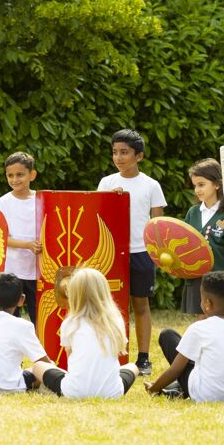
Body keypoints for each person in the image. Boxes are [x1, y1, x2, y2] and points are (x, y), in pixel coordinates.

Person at [97, 129, 167, 376]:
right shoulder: (106, 182)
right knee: (110, 306)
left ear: (139, 156)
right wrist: (110, 199)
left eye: (124, 152)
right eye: (115, 152)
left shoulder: (151, 185)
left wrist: (156, 255)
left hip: (141, 253)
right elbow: (98, 217)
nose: (118, 157)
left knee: (140, 305)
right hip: (112, 253)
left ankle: (144, 359)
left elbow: (158, 225)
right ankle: (110, 356)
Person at [145, 271, 224, 402]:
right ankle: (177, 388)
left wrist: (153, 389)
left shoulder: (200, 328)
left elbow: (175, 370)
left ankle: (178, 388)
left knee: (167, 336)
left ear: (207, 303)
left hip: (204, 395)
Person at [31, 268, 139, 398]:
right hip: (112, 393)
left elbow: (71, 359)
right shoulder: (115, 321)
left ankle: (49, 387)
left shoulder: (70, 323)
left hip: (74, 392)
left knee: (38, 366)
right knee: (133, 367)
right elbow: (115, 355)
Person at [181, 158, 224, 315]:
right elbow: (184, 241)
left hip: (220, 276)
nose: (197, 190)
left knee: (220, 320)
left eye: (201, 184)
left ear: (217, 185)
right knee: (201, 320)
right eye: (195, 185)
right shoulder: (193, 213)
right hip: (197, 275)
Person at [0, 151, 40, 324]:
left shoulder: (41, 199)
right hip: (13, 270)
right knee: (11, 318)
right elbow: (1, 237)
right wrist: (27, 245)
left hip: (37, 270)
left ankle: (39, 349)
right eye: (10, 175)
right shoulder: (4, 202)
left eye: (20, 175)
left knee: (39, 317)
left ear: (32, 175)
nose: (15, 180)